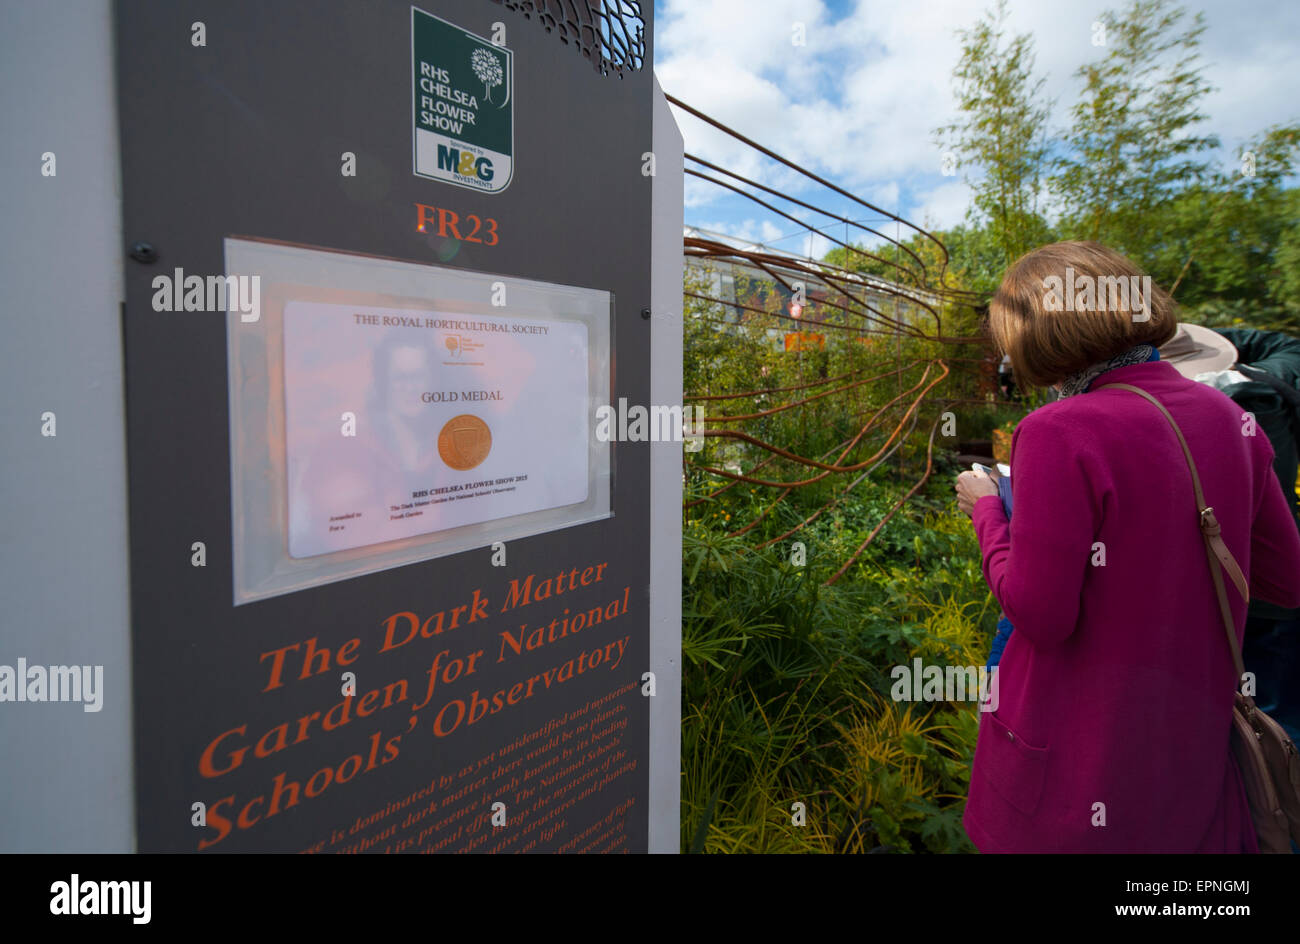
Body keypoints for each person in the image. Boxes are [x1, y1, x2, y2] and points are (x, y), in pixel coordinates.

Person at [953, 241, 1300, 853]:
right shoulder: (1227, 415)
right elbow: (1284, 578)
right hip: (1188, 746)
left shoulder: (1059, 429)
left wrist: (987, 510)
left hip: (1079, 753)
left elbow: (1041, 613)